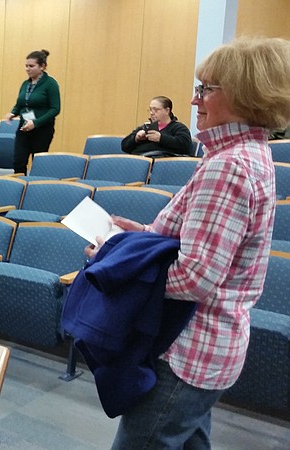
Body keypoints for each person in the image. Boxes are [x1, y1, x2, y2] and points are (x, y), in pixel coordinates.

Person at [84, 37, 290, 449]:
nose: (195, 101)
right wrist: (139, 236)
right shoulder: (244, 155)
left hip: (187, 350)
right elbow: (196, 244)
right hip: (208, 348)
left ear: (245, 95)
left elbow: (194, 277)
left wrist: (117, 261)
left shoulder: (229, 166)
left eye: (206, 89)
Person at [3, 49, 61, 175]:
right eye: (26, 66)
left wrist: (36, 123)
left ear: (42, 67)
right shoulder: (25, 84)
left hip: (42, 130)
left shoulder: (50, 84)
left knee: (38, 163)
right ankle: (19, 189)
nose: (27, 69)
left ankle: (35, 189)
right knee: (18, 161)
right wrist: (13, 113)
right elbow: (20, 104)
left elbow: (55, 109)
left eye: (31, 66)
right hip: (24, 128)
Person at [121, 96, 194, 157]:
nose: (151, 113)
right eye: (150, 110)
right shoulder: (145, 127)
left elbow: (185, 146)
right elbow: (124, 146)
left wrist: (161, 138)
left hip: (161, 162)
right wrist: (136, 138)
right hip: (140, 160)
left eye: (155, 110)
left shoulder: (178, 127)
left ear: (167, 110)